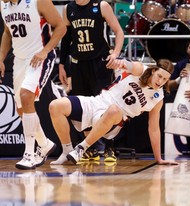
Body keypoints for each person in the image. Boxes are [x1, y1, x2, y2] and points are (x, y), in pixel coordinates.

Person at [48, 58, 179, 165]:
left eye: (165, 79)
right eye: (159, 76)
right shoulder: (141, 70)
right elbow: (130, 65)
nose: (160, 81)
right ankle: (66, 150)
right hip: (97, 102)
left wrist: (159, 159)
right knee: (56, 106)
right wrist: (120, 63)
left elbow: (154, 128)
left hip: (116, 119)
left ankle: (81, 148)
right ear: (153, 71)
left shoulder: (158, 98)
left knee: (114, 109)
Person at [56, 0, 125, 164]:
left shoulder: (101, 5)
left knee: (106, 106)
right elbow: (66, 38)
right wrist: (61, 64)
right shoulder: (68, 8)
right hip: (78, 64)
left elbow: (119, 31)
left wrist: (115, 53)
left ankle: (109, 147)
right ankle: (91, 149)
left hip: (100, 63)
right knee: (83, 107)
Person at [0, 0, 66, 169]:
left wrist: (45, 51)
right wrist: (0, 59)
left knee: (26, 96)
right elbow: (8, 32)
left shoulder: (39, 1)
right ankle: (44, 144)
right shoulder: (4, 5)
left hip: (40, 57)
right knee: (20, 109)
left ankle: (29, 153)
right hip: (20, 60)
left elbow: (61, 27)